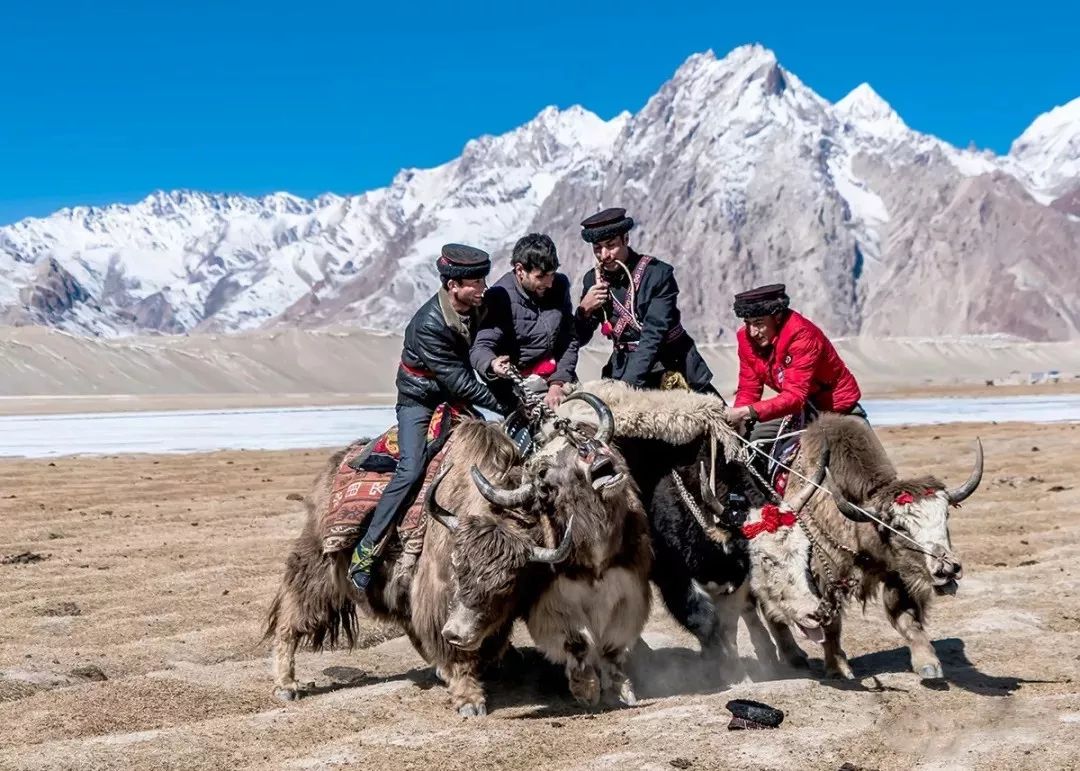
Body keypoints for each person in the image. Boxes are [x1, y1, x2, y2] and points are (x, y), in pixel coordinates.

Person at [347, 244, 512, 591]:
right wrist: (509, 406)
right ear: (453, 286)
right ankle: (365, 553)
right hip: (419, 400)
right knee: (411, 468)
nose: (483, 288)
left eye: (483, 280)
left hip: (454, 393)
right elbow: (461, 382)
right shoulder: (429, 324)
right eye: (475, 282)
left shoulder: (479, 306)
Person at [724, 283, 864, 495]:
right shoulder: (746, 339)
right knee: (749, 445)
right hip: (797, 412)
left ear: (777, 317)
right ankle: (757, 501)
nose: (753, 331)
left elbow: (795, 396)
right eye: (748, 323)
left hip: (837, 408)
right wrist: (738, 421)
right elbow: (749, 388)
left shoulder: (802, 334)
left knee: (870, 472)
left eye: (759, 323)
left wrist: (745, 412)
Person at [574, 207, 715, 394]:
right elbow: (580, 338)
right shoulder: (592, 280)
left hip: (672, 367)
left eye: (611, 245)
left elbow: (653, 336)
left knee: (718, 419)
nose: (605, 255)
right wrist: (584, 310)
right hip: (622, 368)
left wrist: (626, 387)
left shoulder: (658, 274)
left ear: (626, 239)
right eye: (597, 248)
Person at [470, 233, 579, 411]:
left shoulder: (559, 285)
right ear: (520, 270)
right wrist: (493, 364)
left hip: (559, 378)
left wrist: (558, 383)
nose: (549, 283)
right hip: (521, 387)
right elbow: (480, 348)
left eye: (552, 274)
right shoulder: (500, 297)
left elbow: (569, 339)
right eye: (541, 276)